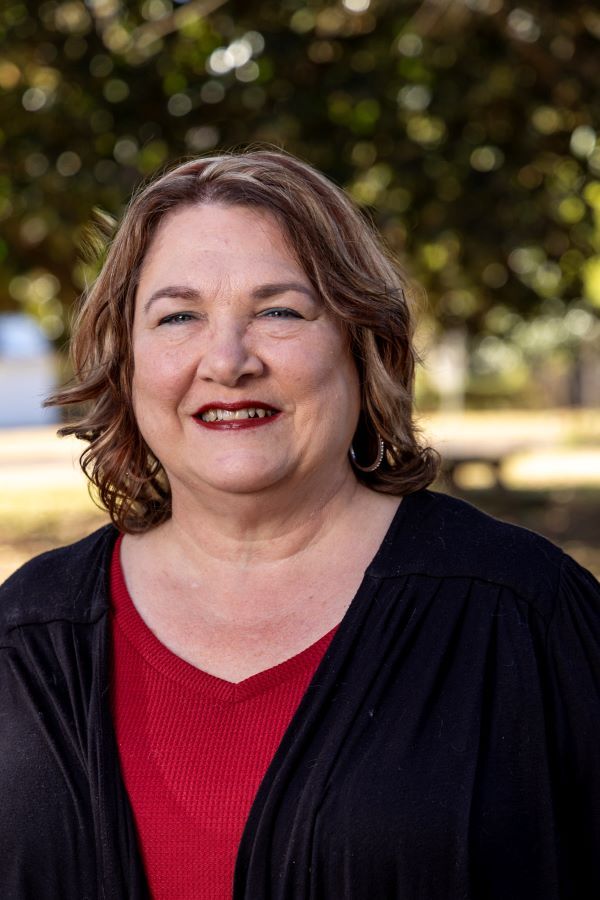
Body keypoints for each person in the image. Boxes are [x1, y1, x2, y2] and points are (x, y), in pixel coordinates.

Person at [0, 149, 598, 900]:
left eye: (279, 311)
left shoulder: (526, 616)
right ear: (126, 360)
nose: (227, 360)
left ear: (363, 341)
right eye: (178, 316)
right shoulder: (23, 640)